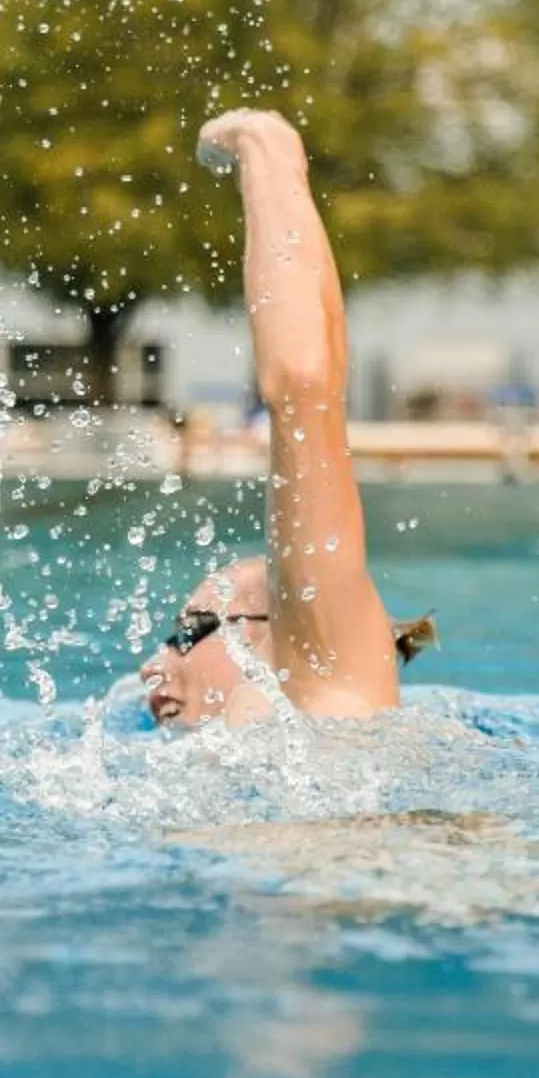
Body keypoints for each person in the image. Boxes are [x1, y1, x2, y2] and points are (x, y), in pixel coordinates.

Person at [141, 109, 429, 728]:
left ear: (285, 629)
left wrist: (262, 147)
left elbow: (304, 391)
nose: (155, 663)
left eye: (191, 632)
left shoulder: (322, 689)